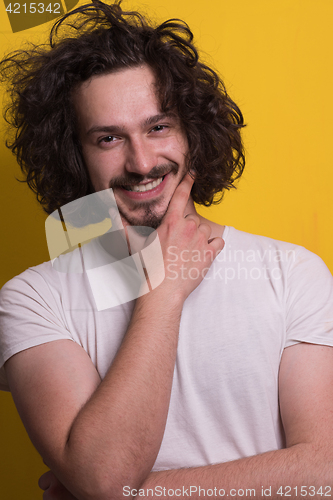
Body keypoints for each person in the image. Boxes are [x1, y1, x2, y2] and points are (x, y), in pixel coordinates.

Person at [1, 1, 333, 499]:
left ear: (191, 132)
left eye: (158, 127)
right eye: (109, 137)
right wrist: (164, 290)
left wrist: (135, 491)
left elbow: (323, 472)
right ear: (75, 154)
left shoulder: (291, 272)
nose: (141, 162)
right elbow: (105, 477)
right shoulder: (30, 300)